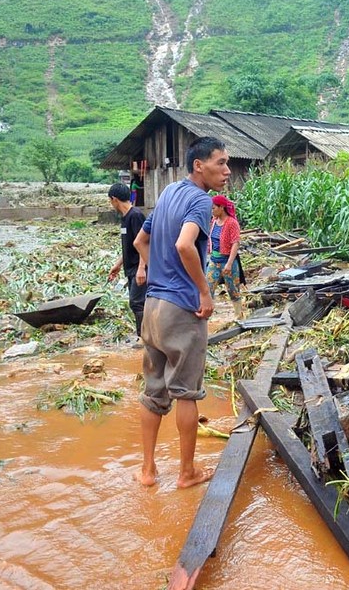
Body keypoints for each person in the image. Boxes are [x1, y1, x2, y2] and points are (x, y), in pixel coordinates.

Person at [132, 136, 230, 489]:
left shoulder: (168, 193)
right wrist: (203, 290)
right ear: (199, 166)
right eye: (221, 163)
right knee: (186, 392)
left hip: (152, 308)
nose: (227, 171)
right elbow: (185, 244)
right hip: (181, 309)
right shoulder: (200, 201)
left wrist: (154, 270)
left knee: (153, 392)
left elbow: (140, 241)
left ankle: (147, 471)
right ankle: (187, 473)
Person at [107, 183, 147, 346]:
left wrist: (141, 269)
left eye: (110, 201)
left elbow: (144, 243)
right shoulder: (125, 218)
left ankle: (144, 337)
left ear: (114, 199)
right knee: (139, 302)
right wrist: (117, 265)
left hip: (139, 267)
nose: (111, 204)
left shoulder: (135, 216)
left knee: (137, 303)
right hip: (130, 268)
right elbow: (129, 245)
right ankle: (149, 335)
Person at [207, 194, 246, 320]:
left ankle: (238, 316)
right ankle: (207, 317)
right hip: (214, 261)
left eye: (213, 208)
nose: (212, 211)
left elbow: (235, 243)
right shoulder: (214, 222)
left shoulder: (231, 223)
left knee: (233, 290)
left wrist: (229, 264)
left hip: (227, 261)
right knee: (208, 288)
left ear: (221, 207)